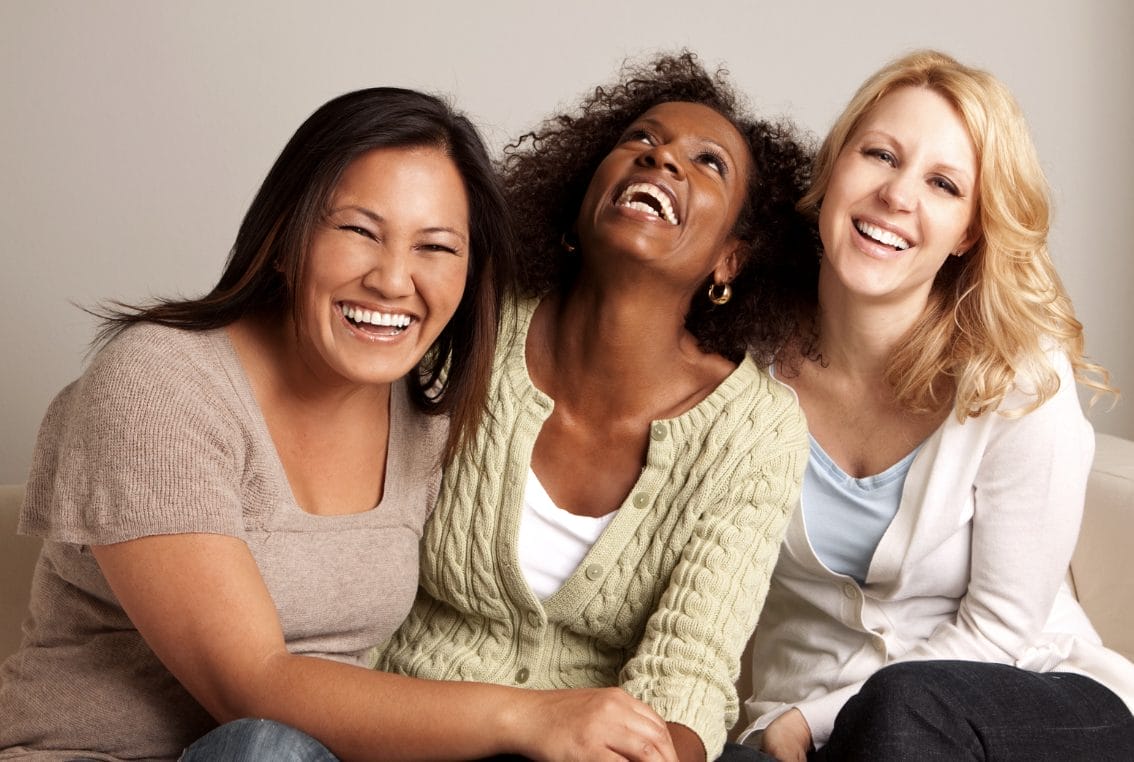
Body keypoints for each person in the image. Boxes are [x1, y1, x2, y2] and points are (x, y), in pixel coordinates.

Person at [0, 87, 676, 762]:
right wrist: (527, 717)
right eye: (359, 231)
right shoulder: (159, 384)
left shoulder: (427, 416)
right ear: (284, 239)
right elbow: (252, 686)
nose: (392, 280)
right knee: (262, 745)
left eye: (435, 247)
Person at [377, 52, 815, 762]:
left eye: (709, 163)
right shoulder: (469, 326)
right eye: (641, 141)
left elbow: (689, 671)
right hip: (409, 726)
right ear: (580, 201)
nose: (663, 159)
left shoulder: (754, 430)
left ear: (729, 261)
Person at [736, 50, 1134, 761]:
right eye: (880, 155)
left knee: (898, 713)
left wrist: (813, 719)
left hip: (1031, 700)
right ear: (832, 172)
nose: (897, 194)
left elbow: (999, 632)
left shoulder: (1016, 376)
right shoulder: (742, 367)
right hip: (811, 730)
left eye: (944, 184)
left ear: (970, 232)